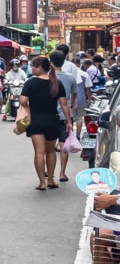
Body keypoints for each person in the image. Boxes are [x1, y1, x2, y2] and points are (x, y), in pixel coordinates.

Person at [20, 55, 73, 191]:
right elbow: (64, 104)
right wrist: (68, 121)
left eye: (33, 66)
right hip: (52, 121)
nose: (31, 68)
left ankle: (41, 183)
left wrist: (28, 105)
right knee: (50, 152)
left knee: (39, 152)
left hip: (36, 121)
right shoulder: (56, 83)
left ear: (39, 68)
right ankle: (50, 180)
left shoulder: (30, 83)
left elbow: (23, 101)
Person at [49, 51, 78, 184]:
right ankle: (62, 172)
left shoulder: (47, 77)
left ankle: (48, 172)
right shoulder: (70, 77)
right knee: (63, 145)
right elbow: (73, 97)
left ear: (51, 62)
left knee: (48, 146)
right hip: (65, 115)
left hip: (49, 115)